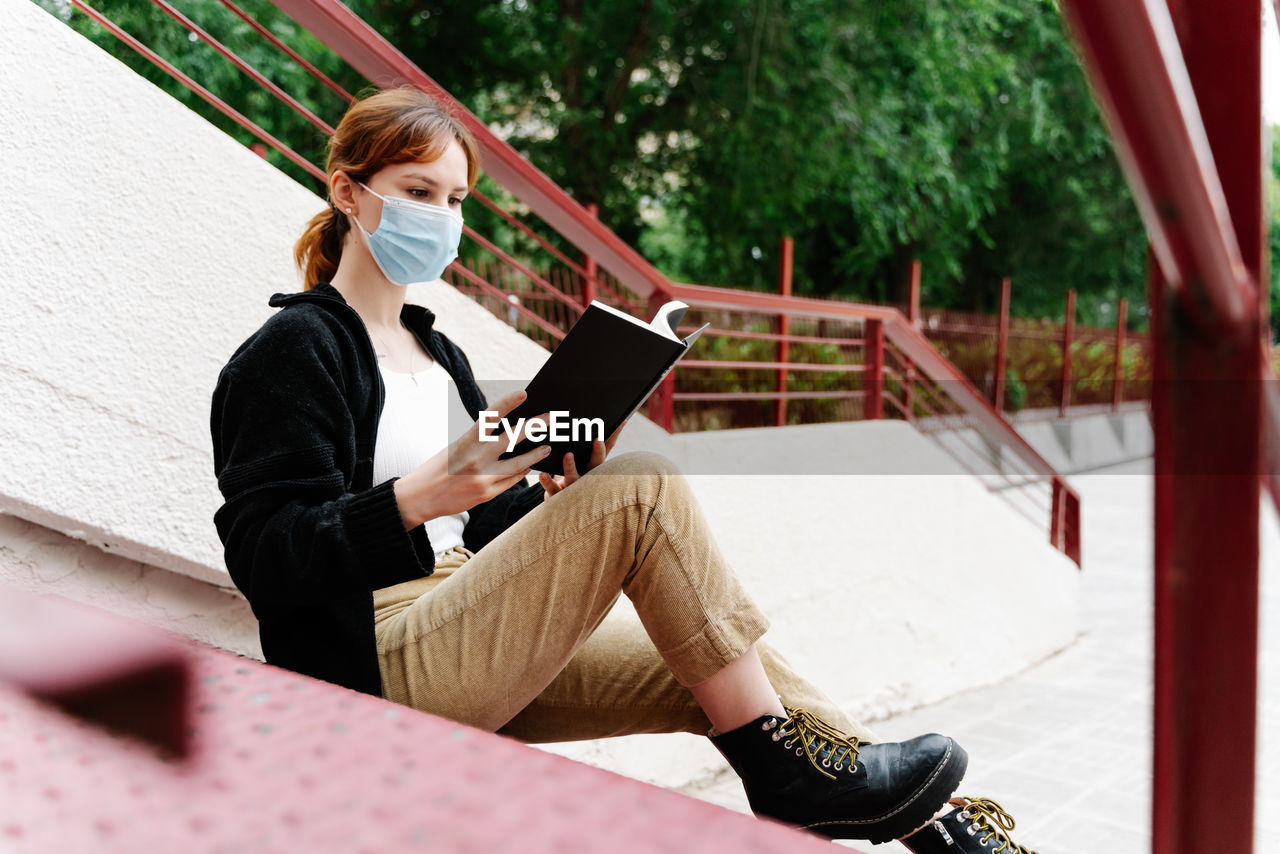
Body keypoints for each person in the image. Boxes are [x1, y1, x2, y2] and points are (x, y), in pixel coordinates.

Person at [210, 86, 1039, 853]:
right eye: (417, 191)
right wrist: (417, 497)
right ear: (348, 193)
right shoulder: (296, 348)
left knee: (720, 664)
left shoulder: (441, 355)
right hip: (378, 661)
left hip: (467, 626)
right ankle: (791, 782)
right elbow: (263, 555)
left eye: (456, 199)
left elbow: (483, 533)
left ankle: (943, 831)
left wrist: (549, 496)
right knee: (642, 485)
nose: (441, 215)